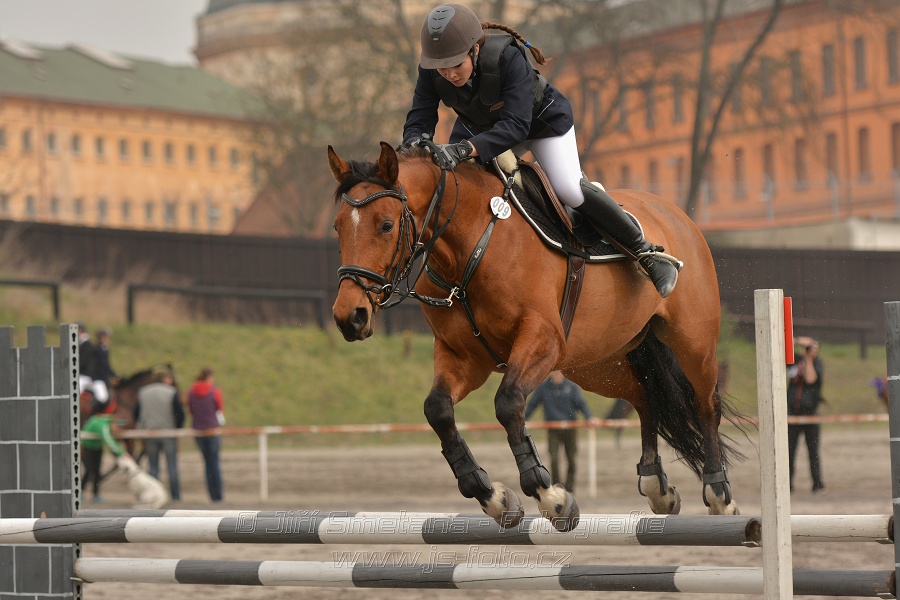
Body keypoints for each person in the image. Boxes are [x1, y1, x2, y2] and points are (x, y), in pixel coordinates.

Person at [402, 3, 678, 297]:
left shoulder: (507, 58)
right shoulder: (432, 69)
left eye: (456, 65)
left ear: (475, 50)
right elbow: (420, 116)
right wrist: (413, 144)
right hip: (483, 129)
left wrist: (465, 149)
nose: (449, 74)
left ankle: (647, 253)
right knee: (458, 185)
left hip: (541, 124)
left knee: (569, 189)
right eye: (442, 68)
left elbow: (517, 126)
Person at [524, 371, 598, 493]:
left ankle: (570, 489)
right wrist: (522, 419)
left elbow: (581, 404)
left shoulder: (571, 386)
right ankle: (557, 487)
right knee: (554, 459)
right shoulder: (543, 388)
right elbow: (532, 405)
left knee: (571, 459)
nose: (557, 373)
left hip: (570, 429)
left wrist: (589, 417)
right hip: (553, 430)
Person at [135, 365, 184, 501]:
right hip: (168, 432)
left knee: (153, 467)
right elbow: (179, 414)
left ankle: (154, 493)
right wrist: (177, 428)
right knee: (172, 466)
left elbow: (136, 413)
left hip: (150, 433)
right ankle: (175, 496)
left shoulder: (143, 392)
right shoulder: (172, 392)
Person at [787, 336, 826, 493]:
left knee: (813, 451)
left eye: (812, 348)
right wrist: (797, 341)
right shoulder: (795, 362)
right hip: (793, 414)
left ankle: (817, 484)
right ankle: (787, 484)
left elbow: (810, 379)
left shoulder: (818, 364)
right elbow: (784, 348)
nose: (809, 350)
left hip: (811, 415)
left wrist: (808, 360)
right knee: (789, 451)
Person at [188, 367, 225, 502]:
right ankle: (218, 494)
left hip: (198, 430)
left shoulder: (191, 392)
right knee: (214, 462)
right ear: (209, 378)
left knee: (207, 463)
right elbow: (219, 408)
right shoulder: (214, 391)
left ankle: (211, 493)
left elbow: (190, 410)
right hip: (212, 430)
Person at [81, 397, 127, 502]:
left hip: (97, 447)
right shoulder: (101, 424)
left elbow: (122, 422)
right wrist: (122, 453)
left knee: (97, 471)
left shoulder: (108, 420)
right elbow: (108, 440)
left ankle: (95, 494)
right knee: (89, 470)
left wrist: (122, 424)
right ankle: (80, 491)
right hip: (88, 447)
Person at [91, 328, 117, 407]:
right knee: (102, 397)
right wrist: (114, 375)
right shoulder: (98, 350)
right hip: (98, 378)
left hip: (104, 378)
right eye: (104, 337)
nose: (106, 339)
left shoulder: (105, 349)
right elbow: (104, 366)